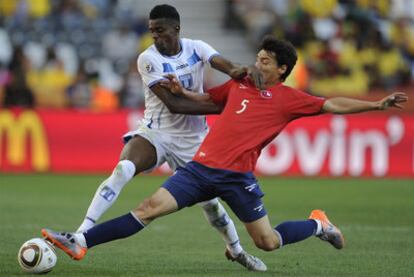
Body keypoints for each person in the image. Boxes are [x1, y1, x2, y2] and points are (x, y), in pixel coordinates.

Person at [42, 35, 408, 270]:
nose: (258, 62)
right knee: (148, 209)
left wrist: (376, 105)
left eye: (267, 60)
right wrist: (180, 92)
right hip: (200, 169)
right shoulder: (239, 85)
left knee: (267, 243)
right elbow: (207, 100)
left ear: (282, 70)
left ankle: (317, 224)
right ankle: (80, 242)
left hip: (237, 179)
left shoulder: (289, 99)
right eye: (259, 56)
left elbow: (333, 105)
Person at [75, 4, 266, 271]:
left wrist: (245, 71)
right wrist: (222, 107)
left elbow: (229, 67)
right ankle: (79, 234)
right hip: (157, 133)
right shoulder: (148, 59)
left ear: (176, 29)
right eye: (152, 31)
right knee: (123, 168)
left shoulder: (197, 47)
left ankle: (237, 251)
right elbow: (176, 105)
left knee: (211, 206)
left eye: (160, 31)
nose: (155, 37)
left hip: (194, 141)